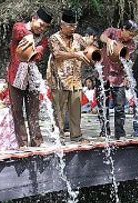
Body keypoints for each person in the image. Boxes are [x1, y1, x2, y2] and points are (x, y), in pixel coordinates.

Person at [7, 8, 52, 147]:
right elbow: (18, 30)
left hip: (32, 78)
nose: (42, 28)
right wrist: (30, 36)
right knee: (17, 112)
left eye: (46, 27)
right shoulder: (19, 28)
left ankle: (37, 143)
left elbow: (38, 54)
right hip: (15, 77)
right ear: (33, 18)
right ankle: (23, 144)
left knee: (34, 112)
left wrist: (37, 50)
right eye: (41, 24)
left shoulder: (43, 39)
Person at [47, 9, 91, 143]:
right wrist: (76, 55)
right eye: (70, 26)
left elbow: (89, 48)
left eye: (75, 26)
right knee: (59, 110)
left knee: (76, 109)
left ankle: (76, 135)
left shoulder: (77, 38)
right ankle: (59, 136)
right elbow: (57, 54)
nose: (73, 28)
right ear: (62, 25)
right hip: (59, 79)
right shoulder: (54, 38)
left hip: (76, 79)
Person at [100, 20, 138, 139]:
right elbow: (102, 36)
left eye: (133, 35)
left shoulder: (131, 44)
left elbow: (128, 61)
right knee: (103, 104)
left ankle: (119, 132)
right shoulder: (112, 32)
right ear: (123, 29)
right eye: (130, 33)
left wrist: (127, 77)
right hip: (104, 73)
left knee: (120, 106)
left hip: (119, 77)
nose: (131, 37)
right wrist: (109, 41)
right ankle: (105, 131)